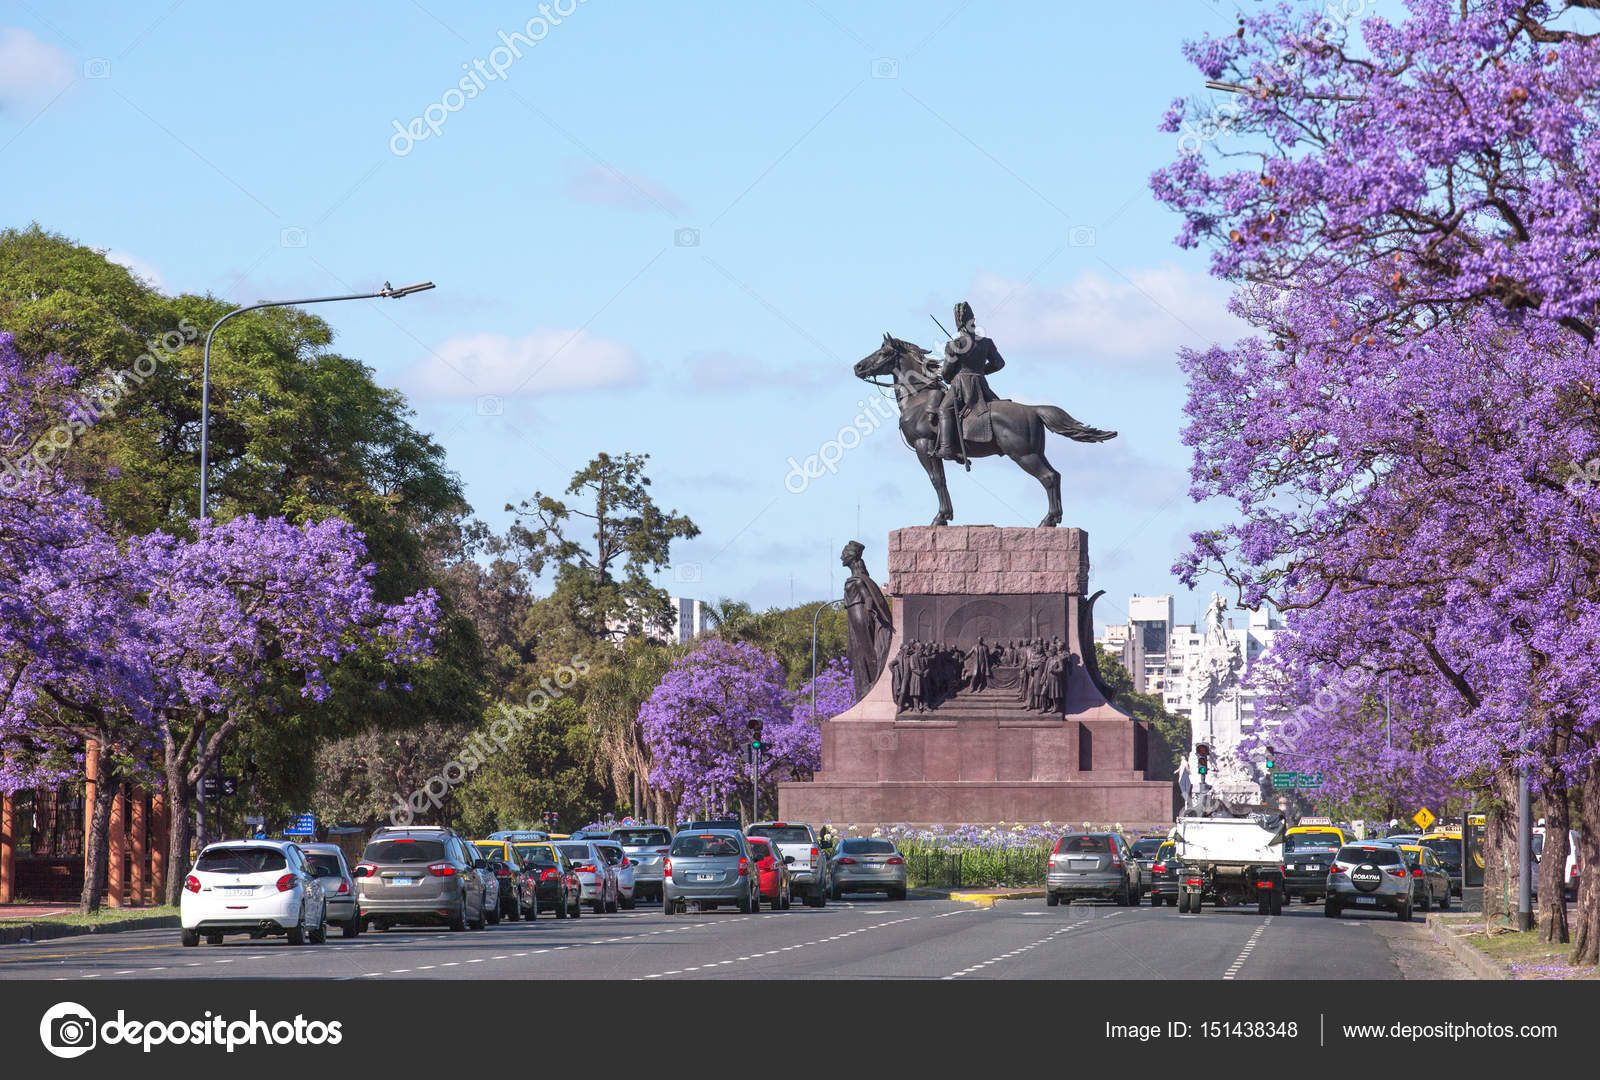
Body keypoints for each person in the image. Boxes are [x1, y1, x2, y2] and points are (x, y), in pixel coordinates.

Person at [935, 300, 1005, 463]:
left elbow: (946, 371)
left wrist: (949, 378)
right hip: (981, 385)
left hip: (960, 386)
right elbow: (999, 364)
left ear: (958, 323)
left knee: (944, 409)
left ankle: (946, 447)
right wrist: (981, 372)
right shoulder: (986, 342)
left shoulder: (955, 344)